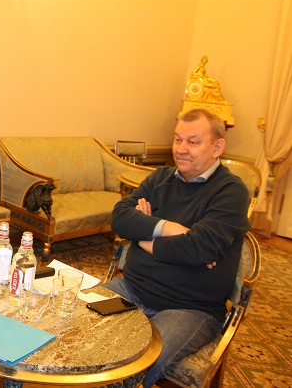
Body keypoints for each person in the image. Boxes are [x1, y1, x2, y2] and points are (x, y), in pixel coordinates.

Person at [105, 108, 250, 388]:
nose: (181, 149)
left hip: (189, 309)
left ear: (217, 147)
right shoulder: (160, 177)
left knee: (132, 363)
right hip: (130, 290)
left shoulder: (231, 192)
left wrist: (143, 234)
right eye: (177, 139)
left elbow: (197, 249)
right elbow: (120, 218)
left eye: (193, 142)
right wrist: (169, 228)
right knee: (75, 323)